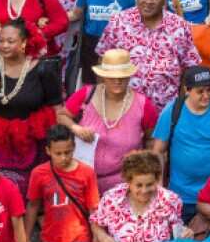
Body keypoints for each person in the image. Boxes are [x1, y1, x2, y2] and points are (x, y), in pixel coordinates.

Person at [0, 19, 65, 195]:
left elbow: (57, 107)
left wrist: (59, 142)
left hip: (33, 141)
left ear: (23, 43)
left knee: (31, 192)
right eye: (1, 41)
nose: (4, 45)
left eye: (10, 41)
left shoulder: (42, 69)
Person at [154, 65, 210, 221]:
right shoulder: (172, 110)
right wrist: (159, 187)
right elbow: (158, 151)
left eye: (209, 90)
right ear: (187, 90)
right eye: (200, 91)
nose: (206, 96)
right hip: (180, 196)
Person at [58, 48, 157, 193]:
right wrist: (75, 128)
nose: (117, 81)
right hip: (82, 180)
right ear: (103, 76)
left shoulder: (143, 105)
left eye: (122, 77)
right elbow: (61, 116)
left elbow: (152, 141)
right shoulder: (87, 94)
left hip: (124, 184)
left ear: (129, 77)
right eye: (111, 76)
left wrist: (144, 168)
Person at [97, 0, 203, 108]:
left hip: (165, 111)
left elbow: (190, 66)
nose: (148, 1)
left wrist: (182, 105)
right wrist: (103, 100)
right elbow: (103, 60)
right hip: (124, 110)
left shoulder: (179, 26)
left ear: (164, 1)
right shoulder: (119, 22)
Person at [25, 124, 100, 242]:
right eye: (58, 154)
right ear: (48, 150)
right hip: (50, 240)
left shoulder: (87, 173)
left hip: (80, 240)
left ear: (74, 148)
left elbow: (94, 210)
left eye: (68, 152)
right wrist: (26, 239)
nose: (63, 158)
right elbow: (33, 205)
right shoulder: (38, 173)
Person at [69, 0, 134, 84]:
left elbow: (132, 25)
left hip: (116, 46)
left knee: (113, 81)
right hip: (90, 44)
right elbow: (75, 14)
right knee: (91, 81)